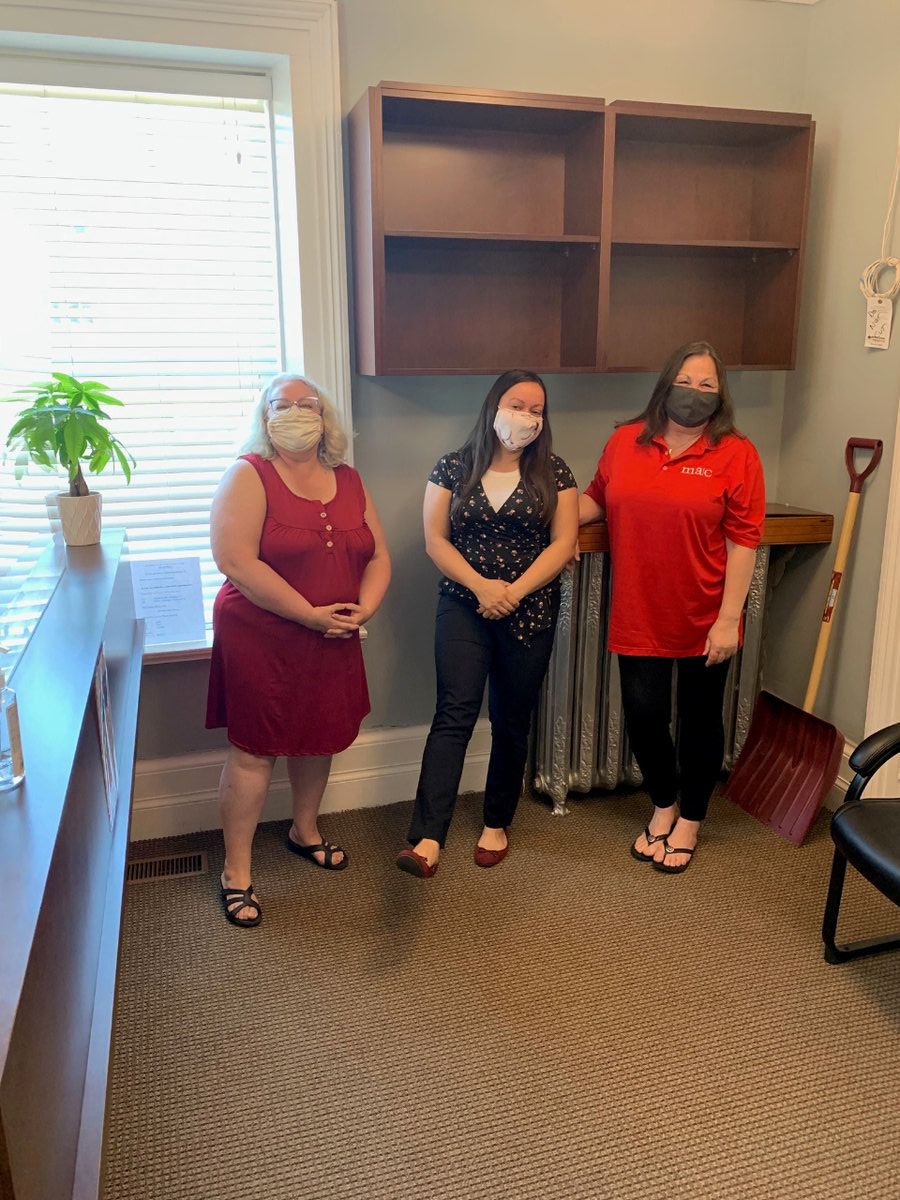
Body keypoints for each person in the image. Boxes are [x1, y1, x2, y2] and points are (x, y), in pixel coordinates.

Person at [206, 373, 390, 926]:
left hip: (333, 632)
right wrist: (309, 615)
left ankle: (303, 830)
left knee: (318, 738)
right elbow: (236, 560)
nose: (294, 412)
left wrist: (365, 608)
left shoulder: (350, 479)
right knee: (255, 749)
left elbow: (378, 555)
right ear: (265, 418)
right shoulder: (249, 474)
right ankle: (236, 872)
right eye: (280, 405)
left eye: (305, 404)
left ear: (325, 416)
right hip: (263, 635)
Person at [578, 341, 764, 874]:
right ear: (666, 384)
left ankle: (691, 821)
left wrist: (729, 619)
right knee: (644, 714)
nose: (695, 393)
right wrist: (562, 528)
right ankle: (664, 803)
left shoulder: (737, 453)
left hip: (708, 614)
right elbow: (596, 498)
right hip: (639, 611)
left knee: (700, 719)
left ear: (720, 395)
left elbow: (745, 540)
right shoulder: (623, 442)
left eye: (708, 385)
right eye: (687, 381)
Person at [397, 370, 578, 878]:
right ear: (494, 406)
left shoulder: (556, 473)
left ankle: (496, 823)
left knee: (510, 720)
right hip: (463, 603)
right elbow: (436, 539)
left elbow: (563, 543)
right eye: (517, 404)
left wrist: (513, 592)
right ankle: (428, 837)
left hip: (531, 608)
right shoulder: (453, 467)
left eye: (536, 410)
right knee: (453, 713)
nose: (526, 417)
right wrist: (482, 587)